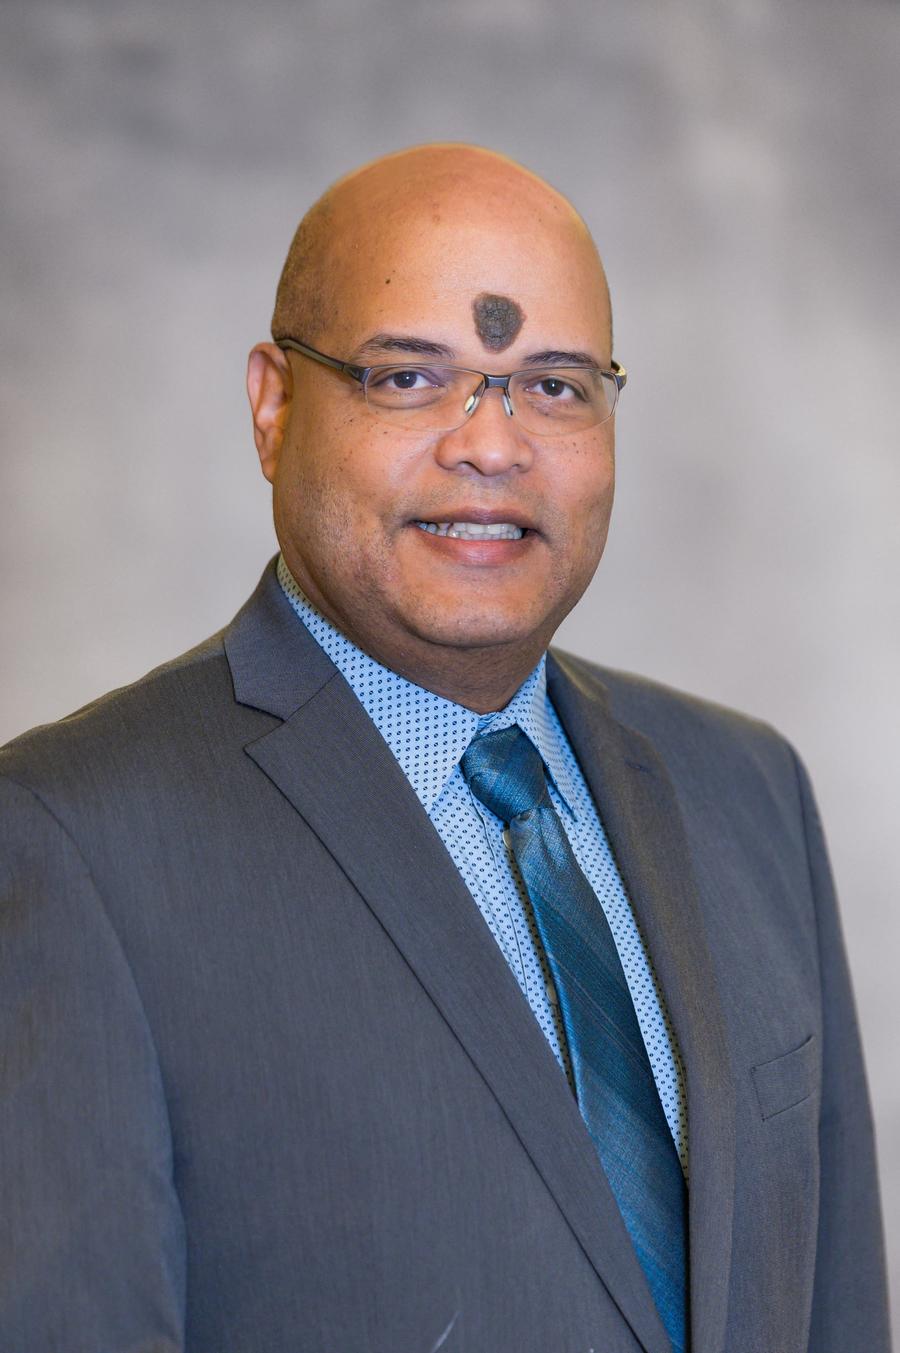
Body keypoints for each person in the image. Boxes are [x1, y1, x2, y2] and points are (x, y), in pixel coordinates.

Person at [0, 143, 889, 1353]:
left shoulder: (749, 792)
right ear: (274, 406)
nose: (493, 446)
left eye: (555, 385)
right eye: (411, 378)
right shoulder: (72, 843)